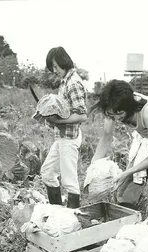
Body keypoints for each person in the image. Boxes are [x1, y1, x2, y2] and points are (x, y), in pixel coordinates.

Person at [90, 79, 148, 218]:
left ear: (129, 107)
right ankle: (127, 222)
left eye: (119, 114)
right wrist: (93, 168)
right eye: (112, 115)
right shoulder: (114, 105)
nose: (116, 118)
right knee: (124, 193)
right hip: (142, 139)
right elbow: (106, 137)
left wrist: (126, 173)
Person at [40, 46, 87, 208]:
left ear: (63, 61)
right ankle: (58, 213)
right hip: (62, 136)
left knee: (69, 182)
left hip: (69, 137)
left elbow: (82, 115)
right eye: (51, 68)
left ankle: (73, 221)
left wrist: (57, 121)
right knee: (47, 173)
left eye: (55, 66)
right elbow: (64, 110)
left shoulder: (73, 83)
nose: (54, 70)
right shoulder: (65, 81)